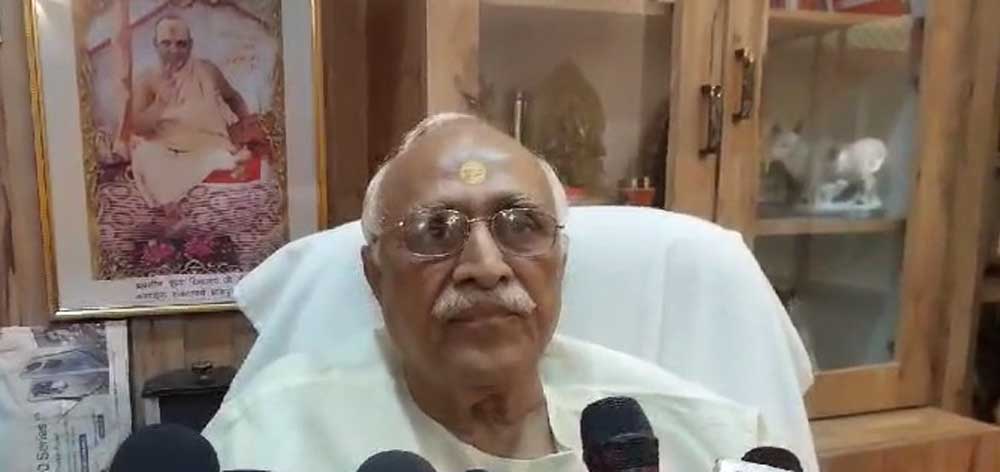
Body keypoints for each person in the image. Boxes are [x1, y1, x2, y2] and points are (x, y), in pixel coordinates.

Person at [203, 114, 779, 471]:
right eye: (435, 231)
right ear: (375, 277)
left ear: (560, 262)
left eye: (520, 226)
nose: (484, 267)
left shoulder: (701, 439)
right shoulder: (269, 436)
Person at [130, 15, 251, 235]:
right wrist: (160, 103)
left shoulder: (207, 70)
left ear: (191, 45)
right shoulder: (147, 78)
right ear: (155, 45)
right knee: (144, 153)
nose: (174, 50)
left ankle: (179, 214)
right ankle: (173, 214)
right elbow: (138, 127)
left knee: (220, 159)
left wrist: (246, 124)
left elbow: (234, 98)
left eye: (181, 44)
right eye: (166, 43)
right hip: (166, 148)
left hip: (208, 146)